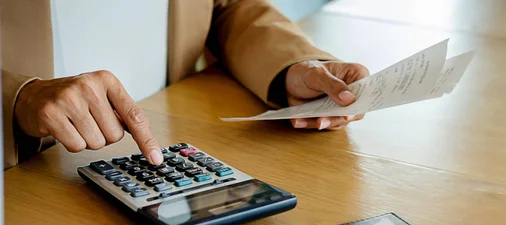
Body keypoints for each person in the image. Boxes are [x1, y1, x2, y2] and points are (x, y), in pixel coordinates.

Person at [1, 0, 369, 170]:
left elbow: (228, 6)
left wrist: (290, 68)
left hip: (175, 134)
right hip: (26, 178)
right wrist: (19, 95)